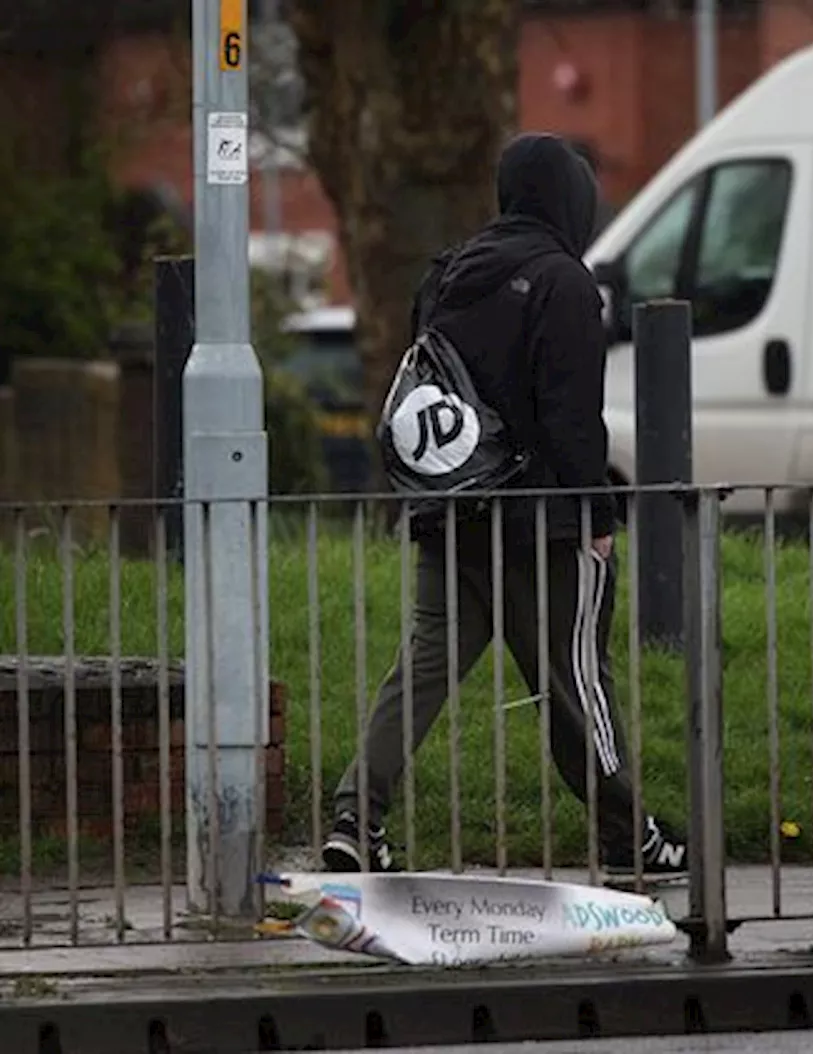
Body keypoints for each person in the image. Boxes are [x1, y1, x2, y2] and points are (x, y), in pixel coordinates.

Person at [322, 132, 688, 879]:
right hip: (543, 525)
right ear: (568, 199)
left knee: (420, 673)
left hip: (450, 512)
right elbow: (571, 418)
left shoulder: (448, 274)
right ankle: (630, 839)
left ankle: (356, 819)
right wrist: (597, 518)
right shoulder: (565, 283)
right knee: (574, 680)